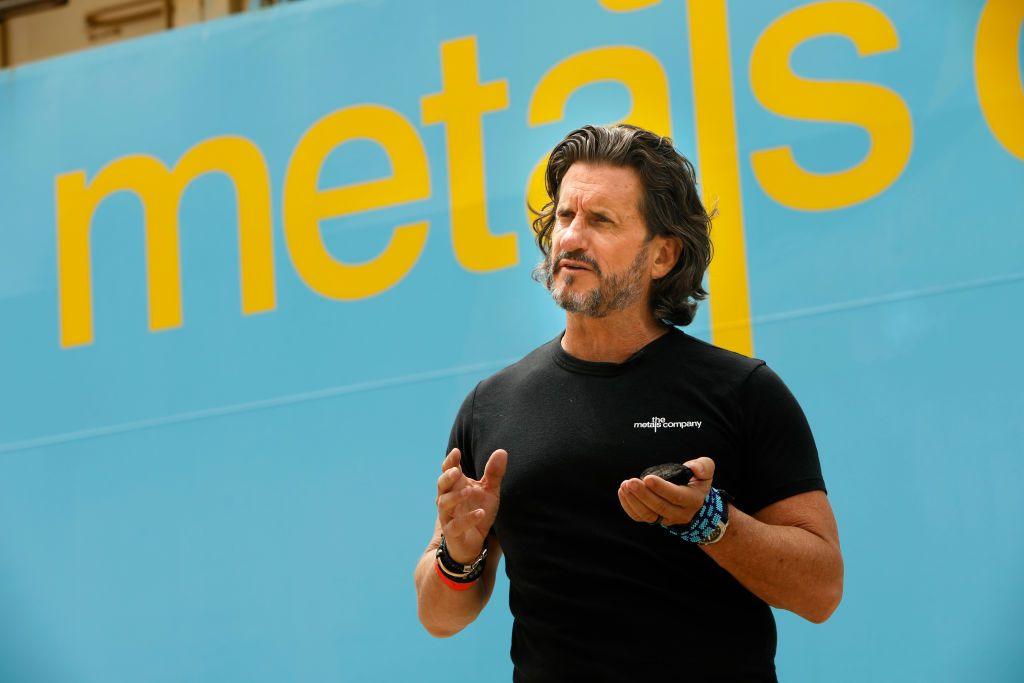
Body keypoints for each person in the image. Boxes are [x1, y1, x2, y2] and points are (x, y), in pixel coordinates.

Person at [413, 124, 843, 682]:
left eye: (600, 221)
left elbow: (822, 590)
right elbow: (439, 616)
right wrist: (458, 552)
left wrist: (711, 523)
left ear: (662, 255)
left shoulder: (744, 392)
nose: (570, 238)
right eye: (565, 216)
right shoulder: (490, 406)